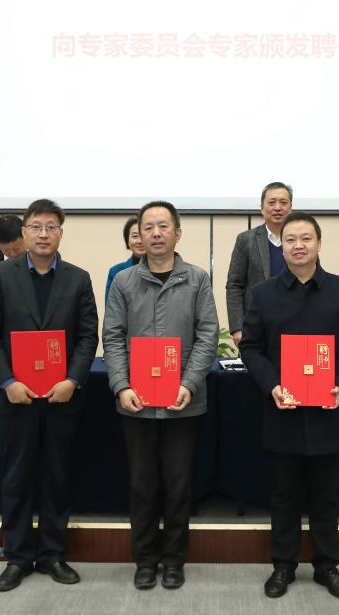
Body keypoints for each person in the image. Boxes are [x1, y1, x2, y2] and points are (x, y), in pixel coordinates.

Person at [238, 212, 339, 601]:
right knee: (284, 495)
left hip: (328, 410)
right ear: (282, 247)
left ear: (319, 244)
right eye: (291, 239)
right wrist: (273, 386)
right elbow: (251, 348)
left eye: (306, 238)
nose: (298, 245)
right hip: (284, 409)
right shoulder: (263, 294)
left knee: (326, 495)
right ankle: (283, 565)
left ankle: (327, 566)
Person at [0, 199, 99, 592]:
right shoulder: (1, 274)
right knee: (16, 478)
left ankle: (52, 555)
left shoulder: (78, 278)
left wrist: (73, 380)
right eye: (36, 227)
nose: (43, 234)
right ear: (24, 232)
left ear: (61, 232)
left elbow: (88, 336)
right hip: (16, 397)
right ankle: (16, 557)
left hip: (62, 397)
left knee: (56, 477)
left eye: (51, 227)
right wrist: (7, 381)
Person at [102, 201, 219, 591]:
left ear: (177, 234)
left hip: (184, 402)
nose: (155, 233)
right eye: (148, 227)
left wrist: (189, 383)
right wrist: (121, 386)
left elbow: (207, 335)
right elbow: (112, 337)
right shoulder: (123, 282)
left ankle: (174, 559)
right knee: (142, 484)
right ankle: (145, 559)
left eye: (163, 226)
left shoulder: (197, 279)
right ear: (139, 234)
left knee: (179, 484)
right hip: (136, 403)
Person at [226, 181, 293, 346]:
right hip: (256, 327)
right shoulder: (246, 240)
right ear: (262, 208)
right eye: (272, 202)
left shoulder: (301, 242)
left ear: (290, 208)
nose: (277, 208)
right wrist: (237, 328)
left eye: (283, 202)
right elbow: (234, 285)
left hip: (294, 325)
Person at [104, 216, 145, 297]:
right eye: (135, 236)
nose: (140, 241)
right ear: (127, 241)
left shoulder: (161, 269)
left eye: (143, 236)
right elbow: (111, 304)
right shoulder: (116, 271)